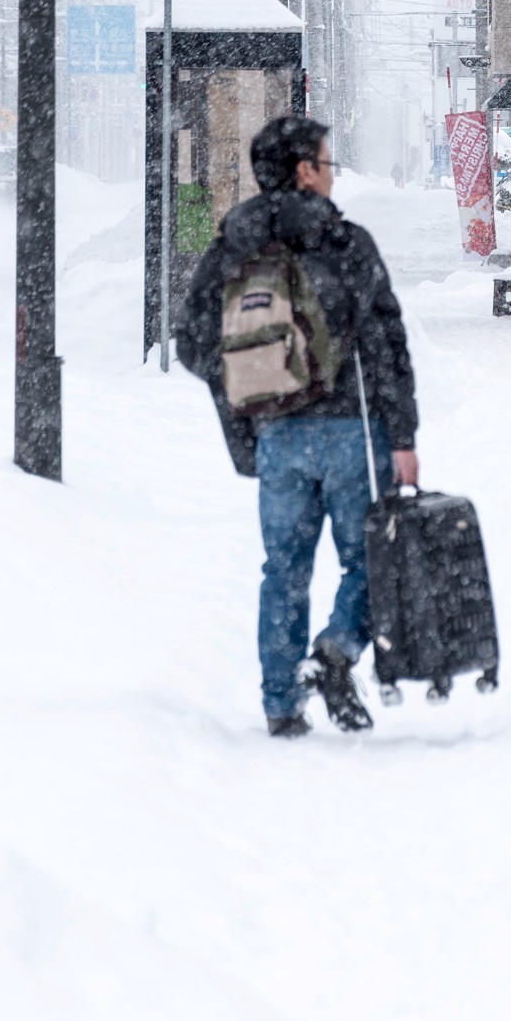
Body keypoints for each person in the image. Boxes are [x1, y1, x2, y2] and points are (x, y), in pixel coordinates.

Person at [177, 115, 419, 739]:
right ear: (305, 170)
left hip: (279, 436)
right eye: (327, 163)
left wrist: (250, 393)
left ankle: (281, 703)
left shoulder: (235, 243)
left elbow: (193, 337)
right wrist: (403, 437)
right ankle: (337, 650)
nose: (332, 174)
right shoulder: (345, 241)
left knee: (283, 570)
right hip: (348, 429)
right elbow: (386, 343)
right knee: (368, 558)